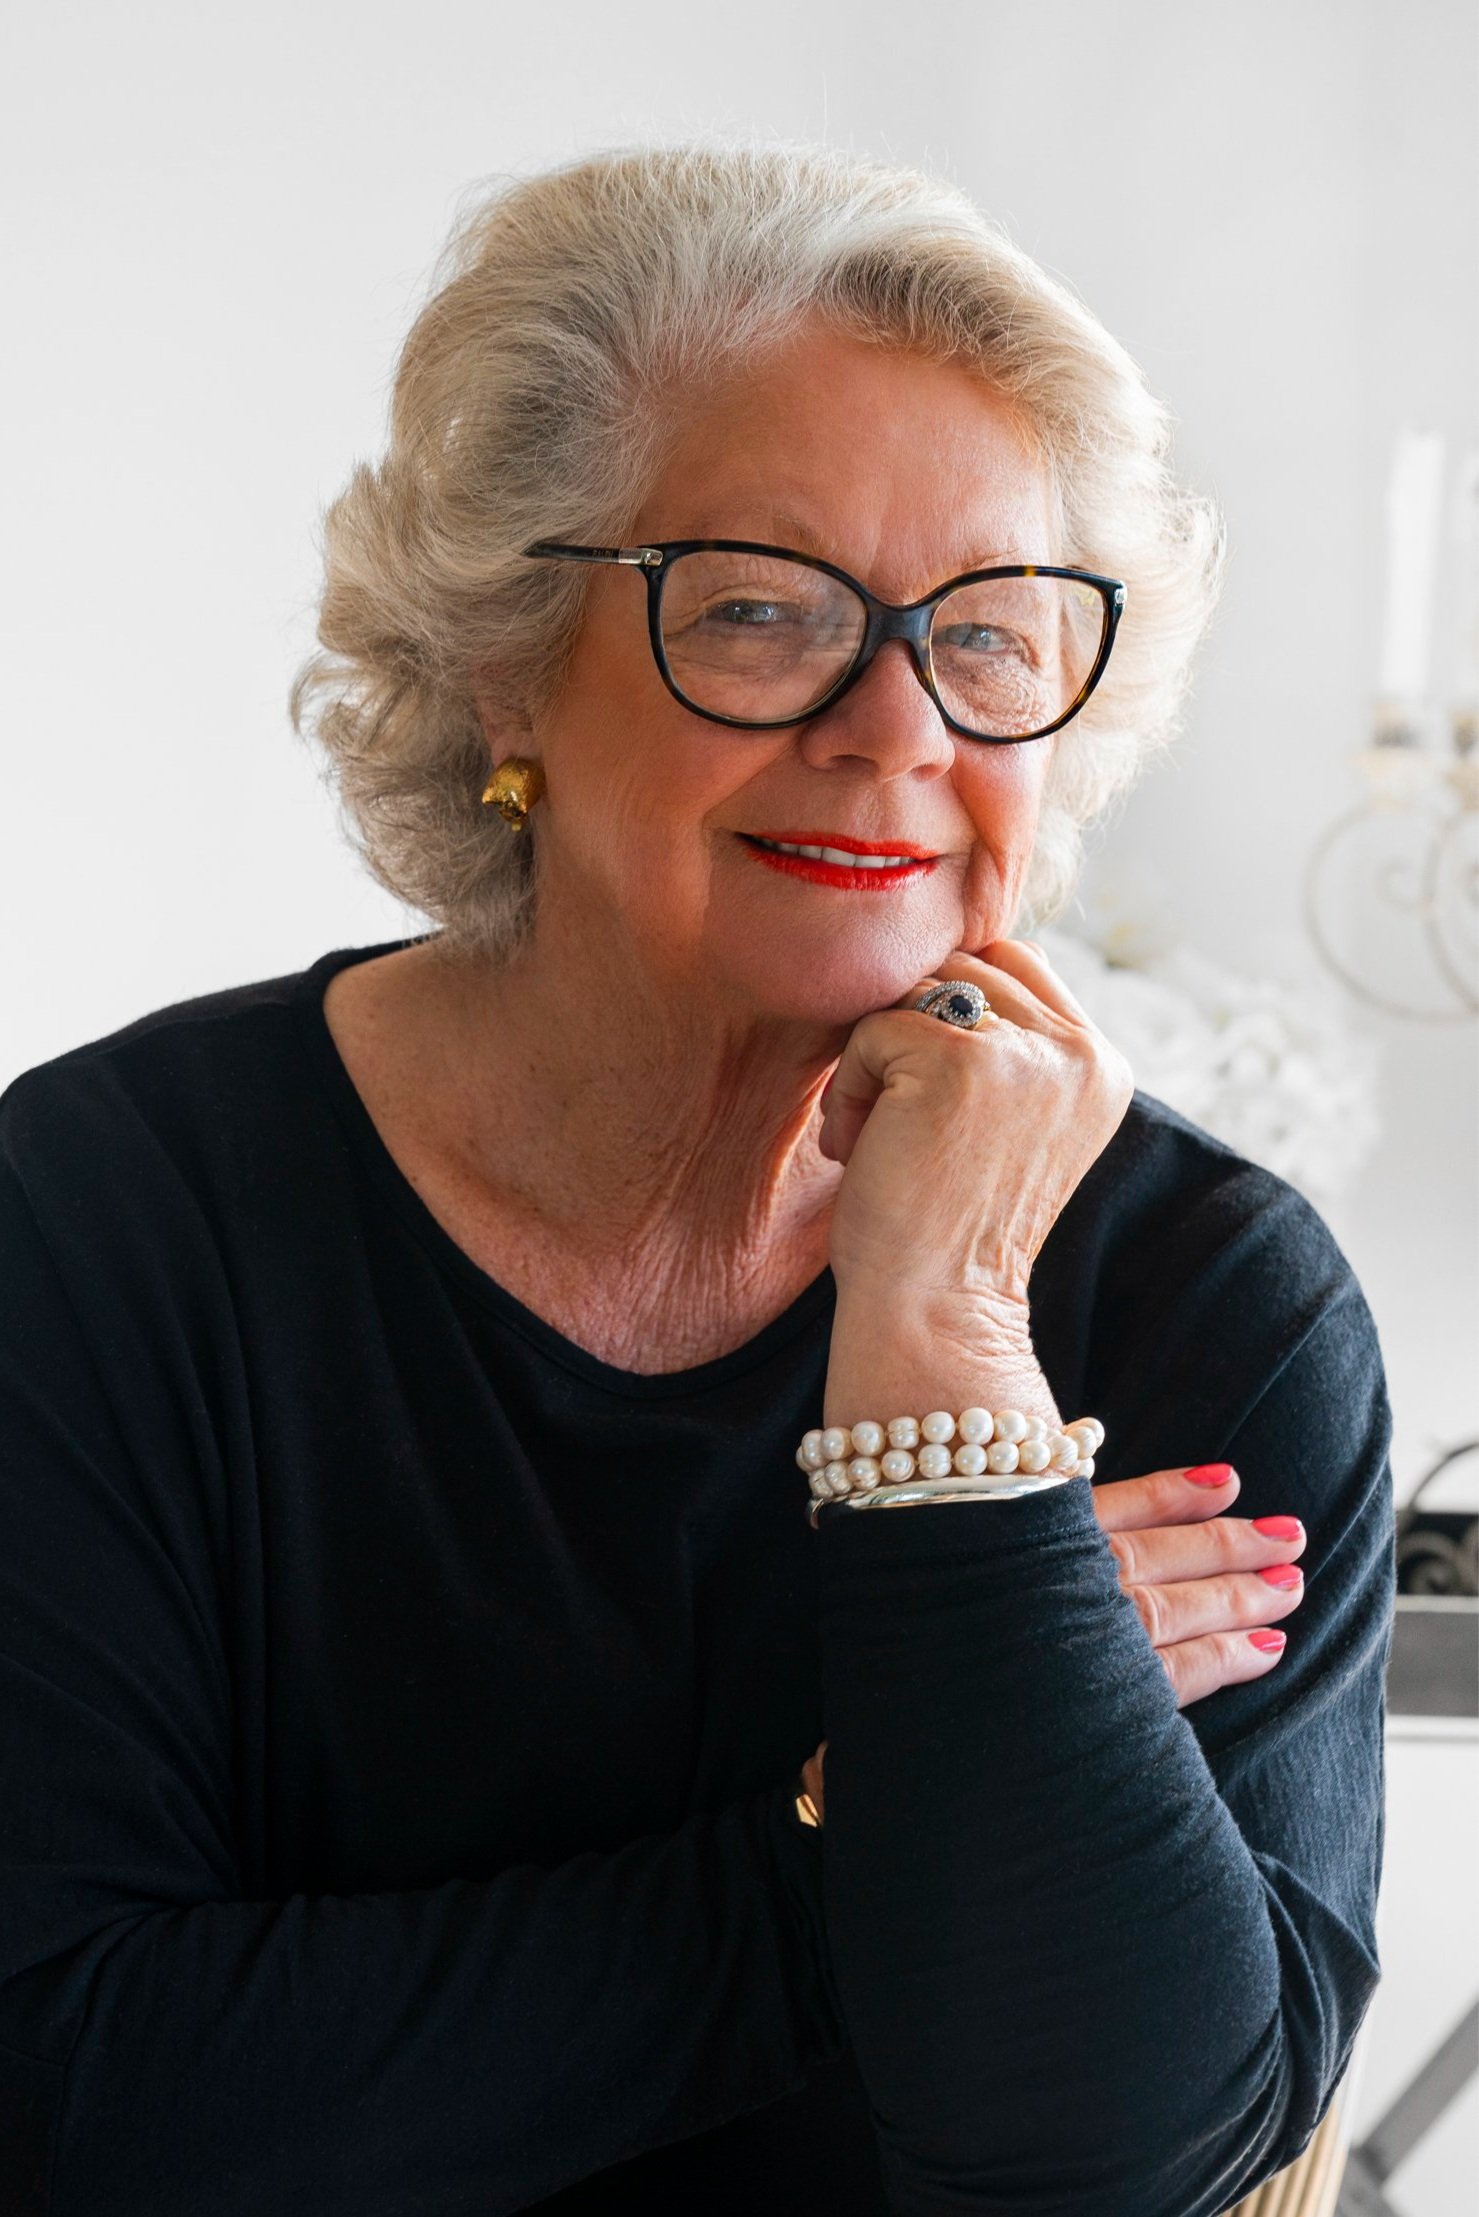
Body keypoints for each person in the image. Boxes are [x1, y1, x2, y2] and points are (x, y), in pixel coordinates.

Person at [0, 144, 1394, 2216]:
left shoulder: (1206, 1290)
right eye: (759, 610)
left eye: (989, 635)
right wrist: (898, 1794)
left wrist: (943, 1344)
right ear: (504, 662)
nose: (892, 723)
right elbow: (73, 2095)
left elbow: (1124, 2162)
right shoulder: (104, 1222)